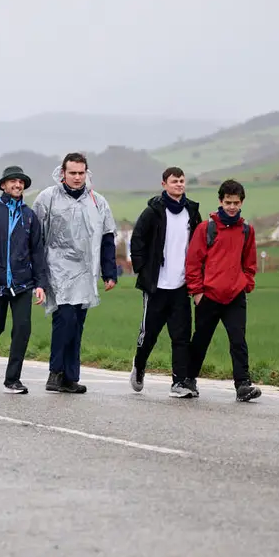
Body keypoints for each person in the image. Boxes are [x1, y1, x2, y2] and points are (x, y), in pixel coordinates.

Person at [33, 152, 118, 394]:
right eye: (72, 173)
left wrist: (109, 272)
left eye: (81, 173)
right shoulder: (47, 198)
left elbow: (107, 236)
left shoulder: (97, 201)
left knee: (77, 324)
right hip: (58, 269)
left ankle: (70, 377)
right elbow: (35, 238)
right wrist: (37, 273)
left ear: (86, 173)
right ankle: (55, 372)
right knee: (65, 319)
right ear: (63, 173)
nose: (77, 177)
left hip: (85, 272)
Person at [0, 165, 47, 394]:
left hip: (23, 283)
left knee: (22, 329)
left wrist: (40, 283)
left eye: (21, 182)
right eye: (12, 181)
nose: (17, 185)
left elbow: (37, 252)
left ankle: (12, 380)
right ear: (3, 185)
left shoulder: (29, 216)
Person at [185, 179, 263, 402]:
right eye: (228, 202)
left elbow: (250, 262)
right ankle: (189, 379)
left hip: (235, 296)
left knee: (238, 341)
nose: (232, 207)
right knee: (200, 340)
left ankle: (243, 385)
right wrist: (197, 292)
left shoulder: (247, 231)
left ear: (242, 203)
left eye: (236, 203)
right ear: (220, 201)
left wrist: (246, 283)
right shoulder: (206, 228)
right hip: (208, 296)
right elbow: (193, 262)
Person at [127, 166, 202, 397]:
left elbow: (199, 244)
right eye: (174, 181)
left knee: (181, 336)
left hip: (181, 286)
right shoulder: (153, 211)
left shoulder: (192, 211)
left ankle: (179, 382)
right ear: (164, 184)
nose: (178, 184)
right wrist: (144, 270)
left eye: (181, 181)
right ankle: (139, 366)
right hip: (157, 286)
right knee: (149, 333)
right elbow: (137, 240)